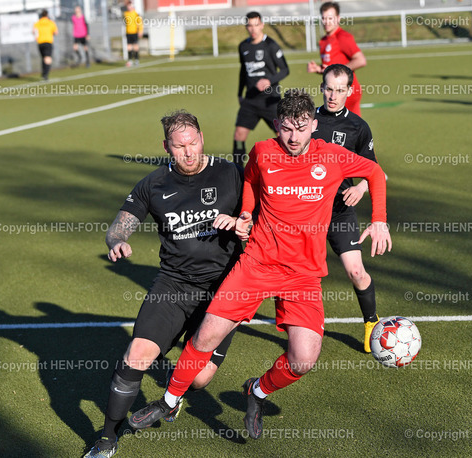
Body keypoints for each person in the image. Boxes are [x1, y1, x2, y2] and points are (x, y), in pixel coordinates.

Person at [128, 89, 391, 439]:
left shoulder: (333, 157)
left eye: (301, 128)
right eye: (286, 128)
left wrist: (380, 219)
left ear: (314, 124)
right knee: (205, 336)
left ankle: (257, 391)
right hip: (257, 263)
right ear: (277, 126)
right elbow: (251, 179)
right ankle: (170, 399)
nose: (293, 137)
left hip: (304, 274)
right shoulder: (264, 151)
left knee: (303, 359)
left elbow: (374, 172)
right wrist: (248, 212)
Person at [84, 110, 243, 457]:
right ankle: (107, 439)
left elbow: (261, 212)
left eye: (193, 143)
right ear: (166, 147)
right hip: (174, 285)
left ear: (202, 137)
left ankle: (174, 395)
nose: (189, 153)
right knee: (135, 357)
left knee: (199, 379)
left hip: (224, 292)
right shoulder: (153, 184)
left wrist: (244, 222)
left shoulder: (231, 173)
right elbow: (119, 225)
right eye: (179, 146)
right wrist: (117, 241)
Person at [311, 63, 383, 353]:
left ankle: (370, 323)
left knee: (356, 271)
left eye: (340, 90)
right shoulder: (308, 121)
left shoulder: (357, 127)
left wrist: (361, 187)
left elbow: (373, 170)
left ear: (350, 91)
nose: (333, 95)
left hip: (340, 210)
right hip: (309, 212)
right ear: (321, 87)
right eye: (329, 88)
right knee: (306, 275)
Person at [233, 11, 289, 167]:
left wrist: (269, 81)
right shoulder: (243, 46)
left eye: (256, 25)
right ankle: (237, 170)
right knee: (239, 135)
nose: (253, 29)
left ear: (262, 25)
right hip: (250, 100)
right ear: (246, 27)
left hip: (270, 100)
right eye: (250, 25)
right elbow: (243, 71)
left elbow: (285, 70)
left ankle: (290, 166)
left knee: (283, 134)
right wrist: (239, 93)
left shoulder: (270, 45)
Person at [308, 2, 367, 116]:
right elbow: (331, 68)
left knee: (350, 130)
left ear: (338, 18)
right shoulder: (324, 40)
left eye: (330, 18)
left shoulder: (343, 37)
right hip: (332, 92)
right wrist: (318, 69)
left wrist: (339, 70)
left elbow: (360, 60)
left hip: (346, 92)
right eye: (324, 18)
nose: (326, 22)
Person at [33, 9, 58, 81]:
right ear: (47, 15)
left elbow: (33, 31)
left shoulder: (38, 23)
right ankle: (45, 74)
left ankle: (44, 73)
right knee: (48, 59)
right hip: (48, 42)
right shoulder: (51, 22)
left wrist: (37, 37)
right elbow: (56, 32)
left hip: (40, 43)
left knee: (44, 58)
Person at [123, 1, 143, 66]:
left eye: (130, 6)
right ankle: (130, 60)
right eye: (128, 6)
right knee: (129, 47)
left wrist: (140, 31)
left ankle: (136, 60)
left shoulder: (136, 14)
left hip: (135, 32)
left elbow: (140, 23)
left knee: (135, 47)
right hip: (128, 32)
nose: (129, 7)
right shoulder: (126, 14)